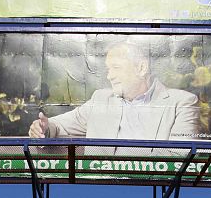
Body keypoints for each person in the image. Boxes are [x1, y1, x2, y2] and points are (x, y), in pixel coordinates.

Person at [29, 41, 200, 155]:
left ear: (141, 68)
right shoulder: (101, 99)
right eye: (108, 69)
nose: (110, 76)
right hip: (101, 189)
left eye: (116, 67)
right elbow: (58, 126)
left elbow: (181, 156)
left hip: (152, 186)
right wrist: (44, 129)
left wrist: (121, 161)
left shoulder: (182, 102)